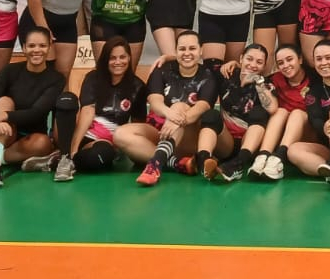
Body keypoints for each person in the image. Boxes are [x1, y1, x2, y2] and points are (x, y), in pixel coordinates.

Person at [22, 36, 148, 182]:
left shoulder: (138, 86)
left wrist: (130, 149)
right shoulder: (94, 77)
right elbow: (87, 112)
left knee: (101, 158)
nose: (118, 62)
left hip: (104, 141)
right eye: (112, 58)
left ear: (129, 58)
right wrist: (73, 149)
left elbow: (138, 124)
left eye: (122, 57)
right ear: (105, 60)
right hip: (77, 133)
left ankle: (55, 161)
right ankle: (66, 155)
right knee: (67, 99)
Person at [0, 28, 67, 189]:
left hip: (29, 138)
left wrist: (4, 116)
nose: (36, 50)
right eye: (31, 46)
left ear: (49, 47)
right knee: (5, 100)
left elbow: (37, 113)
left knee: (43, 143)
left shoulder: (56, 79)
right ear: (24, 48)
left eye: (42, 46)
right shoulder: (10, 70)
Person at [129, 30, 220, 187]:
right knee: (121, 134)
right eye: (182, 49)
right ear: (176, 51)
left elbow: (201, 108)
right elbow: (155, 102)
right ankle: (176, 162)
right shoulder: (162, 69)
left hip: (189, 135)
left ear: (201, 50)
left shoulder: (208, 76)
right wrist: (169, 114)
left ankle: (155, 164)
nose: (187, 53)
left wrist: (176, 117)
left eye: (192, 48)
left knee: (180, 105)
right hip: (162, 131)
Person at [194, 43, 279, 182]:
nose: (253, 65)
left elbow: (272, 108)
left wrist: (256, 80)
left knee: (259, 112)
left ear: (264, 66)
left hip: (249, 143)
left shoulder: (265, 84)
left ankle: (238, 165)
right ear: (241, 58)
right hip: (226, 142)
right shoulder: (227, 75)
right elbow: (195, 66)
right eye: (249, 59)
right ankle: (204, 161)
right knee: (211, 115)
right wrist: (168, 58)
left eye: (259, 62)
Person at [282, 39, 330, 183]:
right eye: (319, 59)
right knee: (293, 150)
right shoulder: (313, 91)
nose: (323, 63)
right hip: (329, 145)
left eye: (328, 58)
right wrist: (324, 127)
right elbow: (314, 118)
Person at [247, 43, 312, 181]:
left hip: (307, 132)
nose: (285, 65)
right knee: (280, 111)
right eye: (281, 63)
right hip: (282, 135)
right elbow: (252, 74)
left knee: (297, 113)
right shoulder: (276, 79)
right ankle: (262, 157)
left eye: (290, 59)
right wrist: (235, 64)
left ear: (300, 59)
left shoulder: (314, 78)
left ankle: (279, 159)